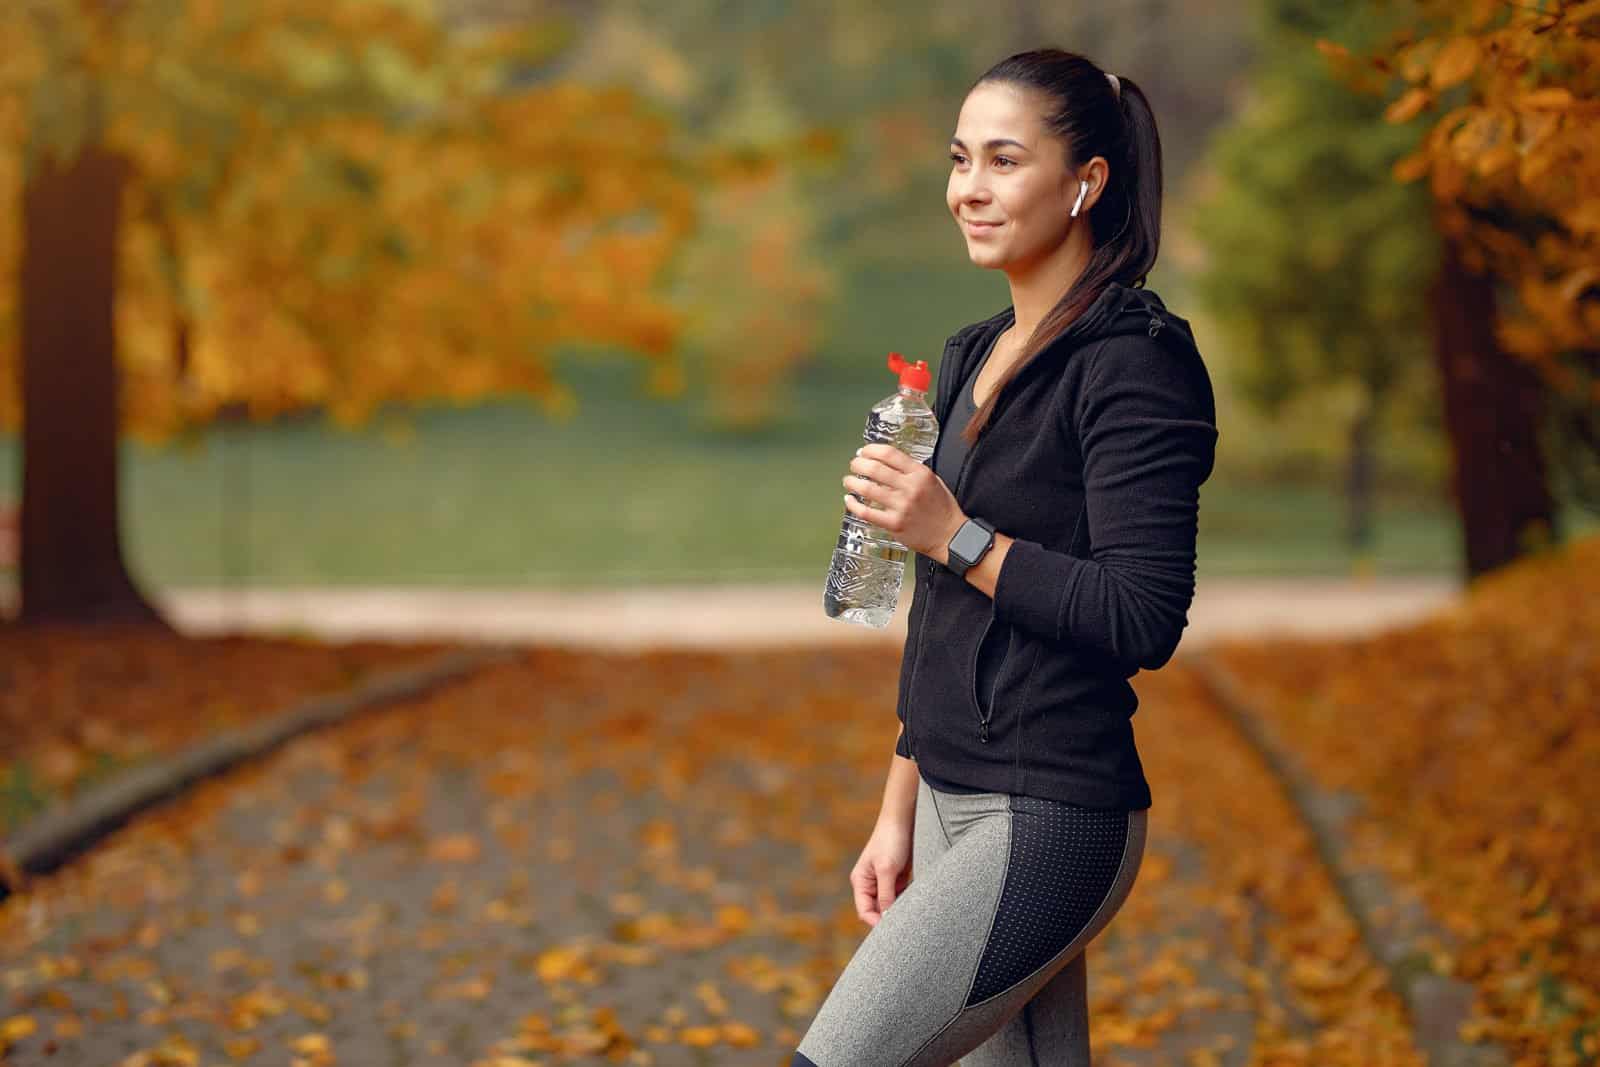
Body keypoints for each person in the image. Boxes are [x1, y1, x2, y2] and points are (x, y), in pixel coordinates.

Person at [792, 48, 1219, 1067]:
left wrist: (954, 531)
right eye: (958, 159)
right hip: (947, 795)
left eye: (1001, 160)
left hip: (1051, 810)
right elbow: (946, 607)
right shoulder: (971, 352)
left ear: (1085, 183)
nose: (967, 190)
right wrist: (896, 808)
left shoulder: (1135, 363)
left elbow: (1140, 614)